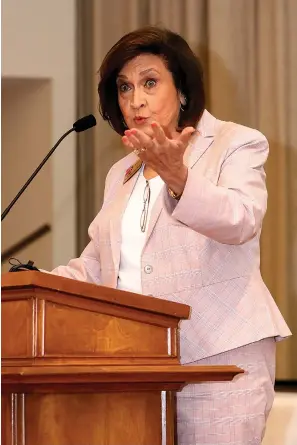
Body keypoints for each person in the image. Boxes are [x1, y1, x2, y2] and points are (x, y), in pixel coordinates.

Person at [51, 26, 291, 444]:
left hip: (219, 363)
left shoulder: (235, 144)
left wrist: (178, 176)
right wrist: (29, 285)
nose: (135, 100)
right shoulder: (121, 172)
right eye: (124, 87)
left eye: (149, 82)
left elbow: (240, 220)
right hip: (139, 365)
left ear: (181, 91)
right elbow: (96, 268)